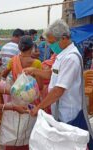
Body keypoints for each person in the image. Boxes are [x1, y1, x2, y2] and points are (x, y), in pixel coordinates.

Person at [24, 19, 93, 149]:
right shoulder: (61, 55)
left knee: (74, 143)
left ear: (64, 38)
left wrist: (38, 107)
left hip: (69, 112)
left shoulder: (71, 58)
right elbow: (52, 74)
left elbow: (58, 90)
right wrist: (35, 71)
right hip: (60, 110)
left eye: (52, 42)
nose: (51, 45)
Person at [0, 35, 42, 150]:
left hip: (15, 99)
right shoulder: (37, 63)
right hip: (31, 100)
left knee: (14, 127)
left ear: (19, 47)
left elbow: (4, 75)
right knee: (28, 129)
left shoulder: (13, 60)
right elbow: (41, 86)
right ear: (32, 47)